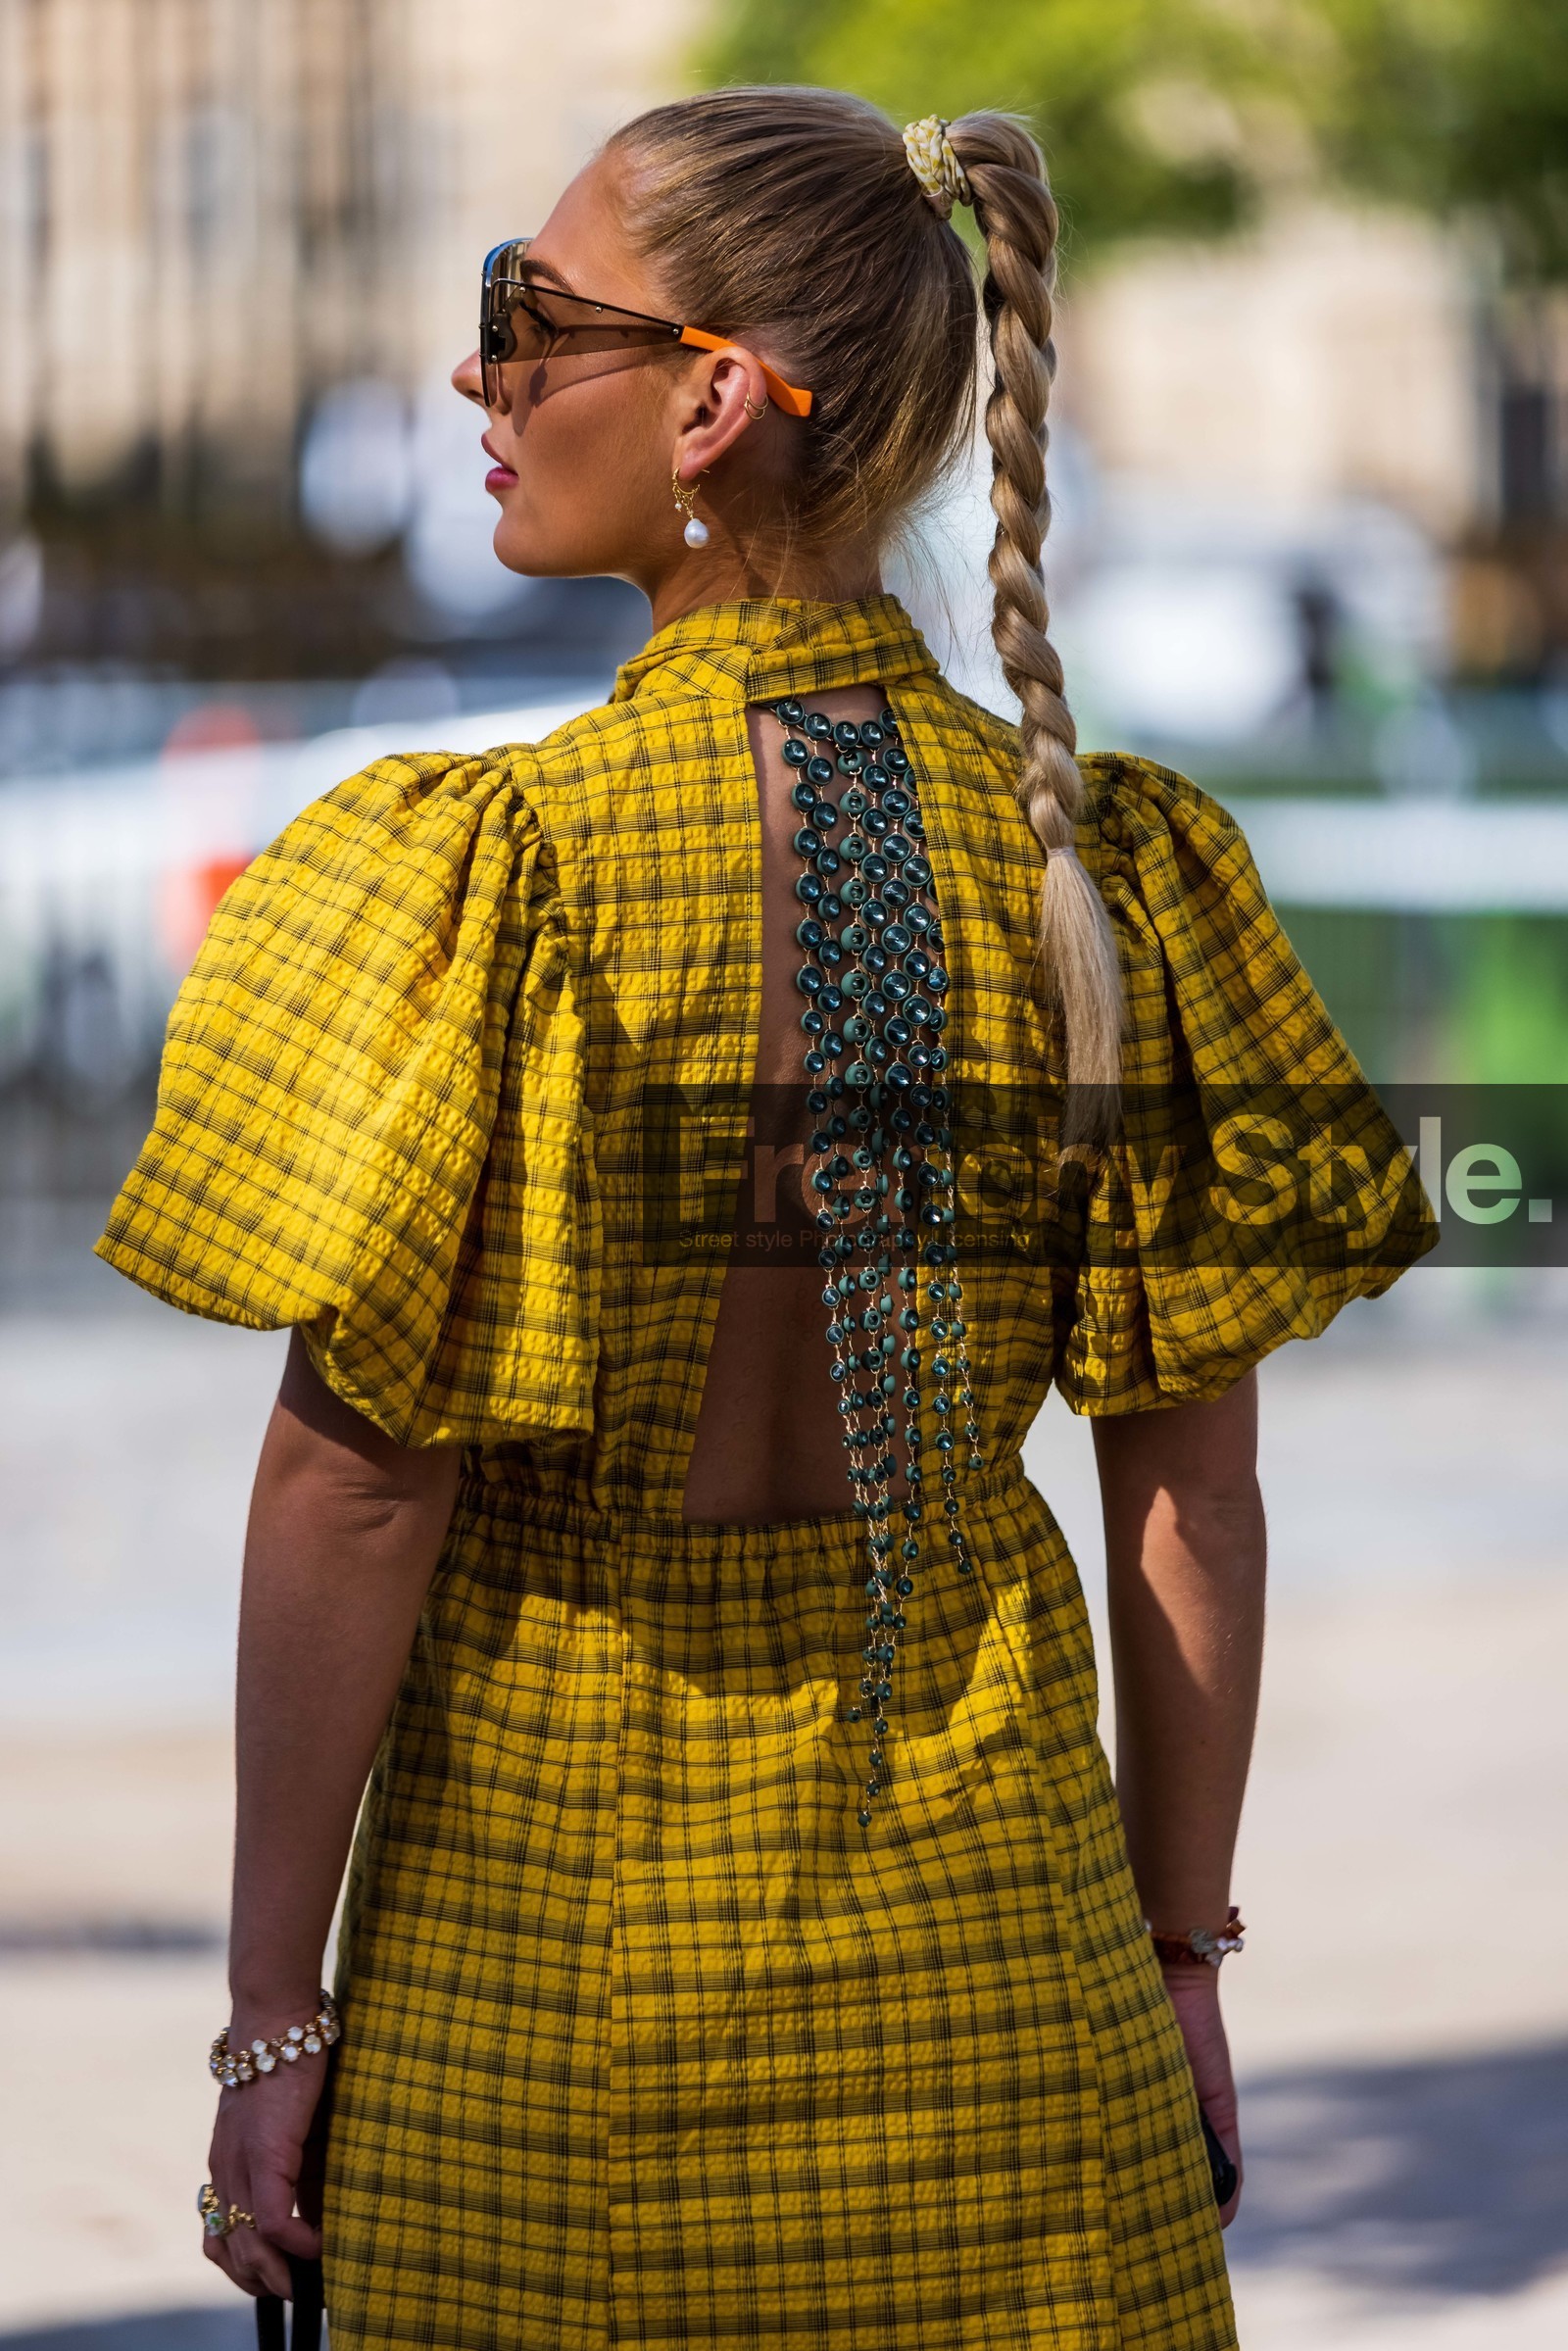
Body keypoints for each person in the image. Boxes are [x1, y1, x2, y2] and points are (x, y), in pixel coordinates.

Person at [98, 89, 1436, 2351]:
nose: (477, 378)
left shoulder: (480, 879)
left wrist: (266, 2015)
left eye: (525, 320)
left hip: (539, 1997)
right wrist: (1180, 1959)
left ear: (713, 399)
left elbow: (352, 1493)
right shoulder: (1101, 870)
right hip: (1012, 2007)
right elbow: (1190, 1494)